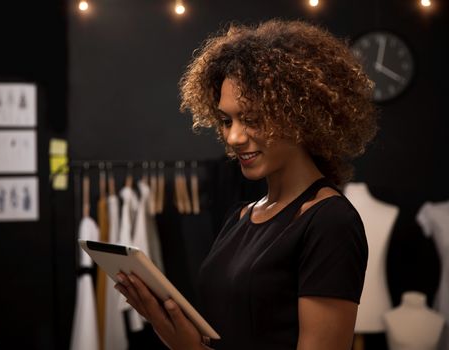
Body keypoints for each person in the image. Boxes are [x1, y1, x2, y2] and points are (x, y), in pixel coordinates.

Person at [114, 18, 377, 349]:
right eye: (226, 121)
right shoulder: (241, 218)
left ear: (299, 116)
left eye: (252, 119)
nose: (234, 137)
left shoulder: (329, 222)